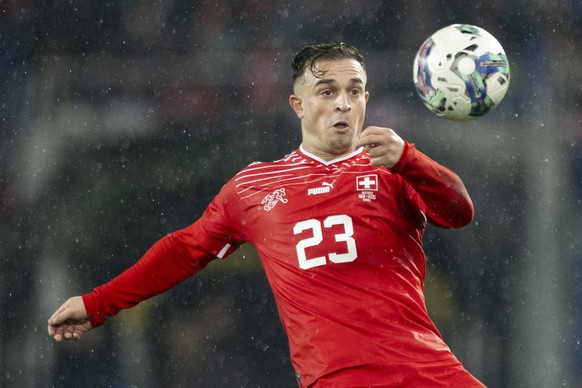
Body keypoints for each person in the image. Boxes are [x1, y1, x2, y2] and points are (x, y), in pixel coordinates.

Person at [48, 42, 485, 387]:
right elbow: (184, 250)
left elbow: (458, 212)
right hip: (339, 380)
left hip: (427, 371)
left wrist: (412, 159)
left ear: (366, 100)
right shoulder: (254, 187)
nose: (343, 104)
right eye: (327, 92)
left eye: (354, 91)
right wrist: (97, 303)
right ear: (298, 105)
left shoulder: (393, 167)